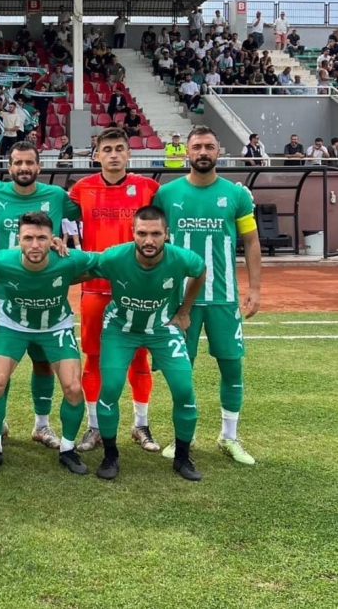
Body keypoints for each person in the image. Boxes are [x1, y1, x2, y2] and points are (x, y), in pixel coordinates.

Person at [0, 141, 82, 448]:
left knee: (43, 363)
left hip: (43, 292)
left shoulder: (56, 195)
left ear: (39, 166)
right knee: (0, 367)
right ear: (9, 167)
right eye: (18, 162)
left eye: (29, 162)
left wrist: (58, 240)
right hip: (2, 296)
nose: (23, 167)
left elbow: (84, 207)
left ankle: (42, 426)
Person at [154, 126, 261, 465]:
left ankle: (229, 436)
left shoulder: (236, 195)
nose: (203, 152)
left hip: (223, 297)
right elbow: (152, 241)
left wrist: (254, 288)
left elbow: (251, 241)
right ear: (186, 151)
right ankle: (181, 437)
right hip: (178, 300)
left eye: (209, 146)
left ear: (218, 152)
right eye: (197, 146)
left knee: (231, 367)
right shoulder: (166, 194)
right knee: (180, 371)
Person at [0, 211, 99, 475]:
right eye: (28, 238)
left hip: (56, 326)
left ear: (52, 238)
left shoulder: (67, 259)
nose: (35, 244)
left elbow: (104, 262)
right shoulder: (1, 260)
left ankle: (67, 450)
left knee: (73, 388)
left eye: (42, 238)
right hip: (13, 325)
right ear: (18, 239)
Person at [92, 205, 206, 482]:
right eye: (142, 233)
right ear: (132, 233)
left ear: (167, 234)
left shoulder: (182, 258)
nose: (149, 240)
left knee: (184, 389)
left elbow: (200, 270)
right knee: (110, 387)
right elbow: (82, 265)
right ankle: (110, 455)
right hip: (121, 328)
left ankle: (182, 457)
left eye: (156, 234)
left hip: (162, 328)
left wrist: (184, 310)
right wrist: (56, 249)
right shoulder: (114, 256)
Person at [68, 128, 160, 452]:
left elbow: (179, 205)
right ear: (97, 155)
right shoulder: (82, 189)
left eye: (120, 148)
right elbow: (48, 208)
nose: (114, 155)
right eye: (107, 149)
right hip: (95, 288)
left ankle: (140, 424)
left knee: (139, 357)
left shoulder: (148, 188)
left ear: (129, 153)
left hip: (137, 289)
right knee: (93, 358)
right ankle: (94, 426)